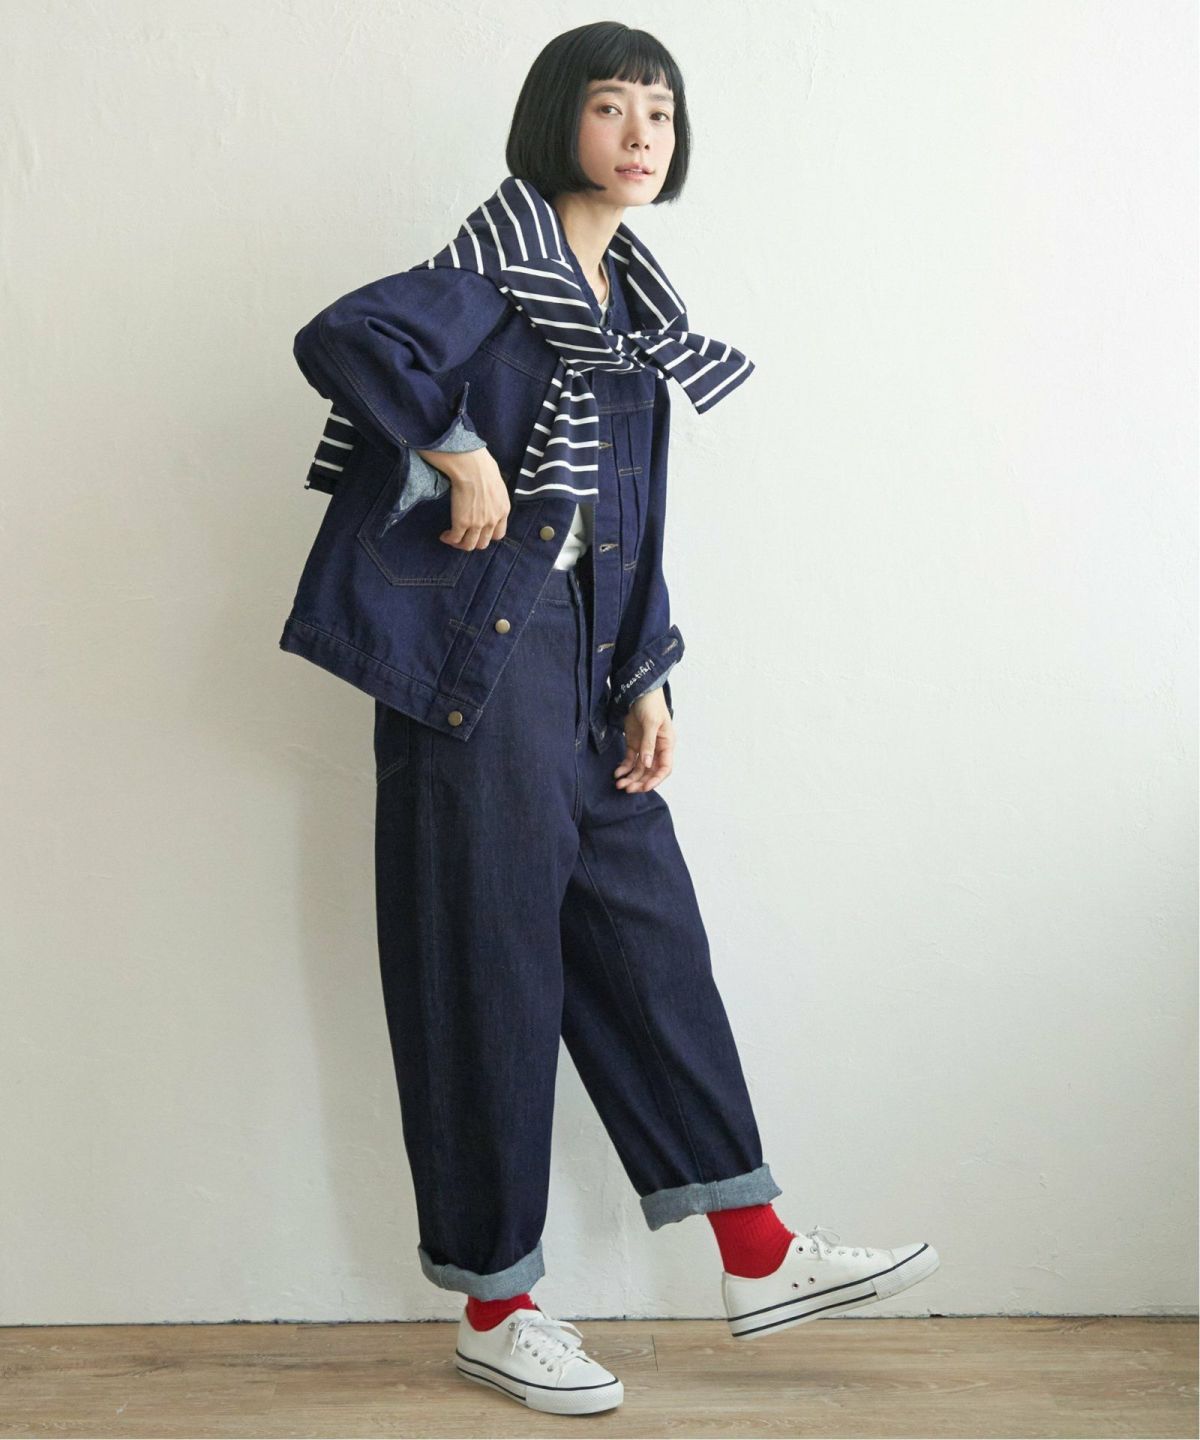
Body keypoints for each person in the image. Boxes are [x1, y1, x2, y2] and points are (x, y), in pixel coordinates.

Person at [282, 20, 939, 1418]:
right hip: (476, 660)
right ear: (555, 123)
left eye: (663, 113)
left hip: (583, 656)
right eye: (612, 107)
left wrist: (647, 673)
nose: (644, 134)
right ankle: (497, 1305)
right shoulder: (485, 275)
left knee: (647, 935)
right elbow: (343, 336)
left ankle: (755, 1250)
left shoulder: (631, 308)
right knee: (485, 970)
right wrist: (453, 445)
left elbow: (627, 519)